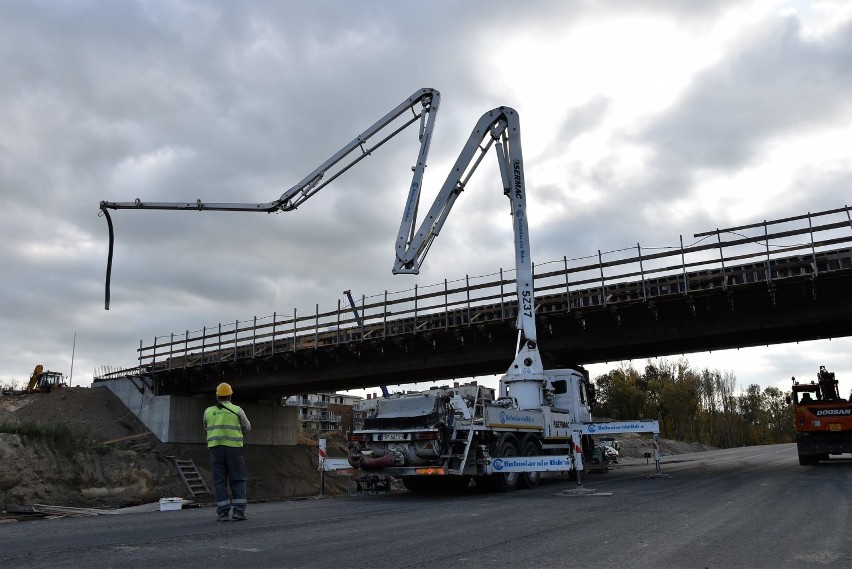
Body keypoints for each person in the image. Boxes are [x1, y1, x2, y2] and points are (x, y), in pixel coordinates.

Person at [203, 382, 251, 522]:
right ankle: (239, 512)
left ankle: (222, 513)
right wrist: (237, 433)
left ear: (217, 396)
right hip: (234, 449)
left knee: (219, 481)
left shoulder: (208, 411)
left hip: (216, 449)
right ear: (230, 395)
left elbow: (206, 427)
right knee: (238, 479)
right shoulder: (237, 410)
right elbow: (247, 427)